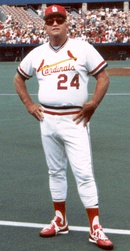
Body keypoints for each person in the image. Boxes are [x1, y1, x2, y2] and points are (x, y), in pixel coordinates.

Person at [14, 5, 114, 250]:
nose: (55, 23)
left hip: (74, 119)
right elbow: (19, 78)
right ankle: (60, 220)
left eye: (59, 19)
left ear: (67, 23)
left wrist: (93, 103)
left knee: (83, 172)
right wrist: (29, 104)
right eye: (50, 20)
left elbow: (104, 76)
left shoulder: (82, 48)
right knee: (55, 171)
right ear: (45, 26)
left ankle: (95, 226)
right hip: (47, 119)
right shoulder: (37, 54)